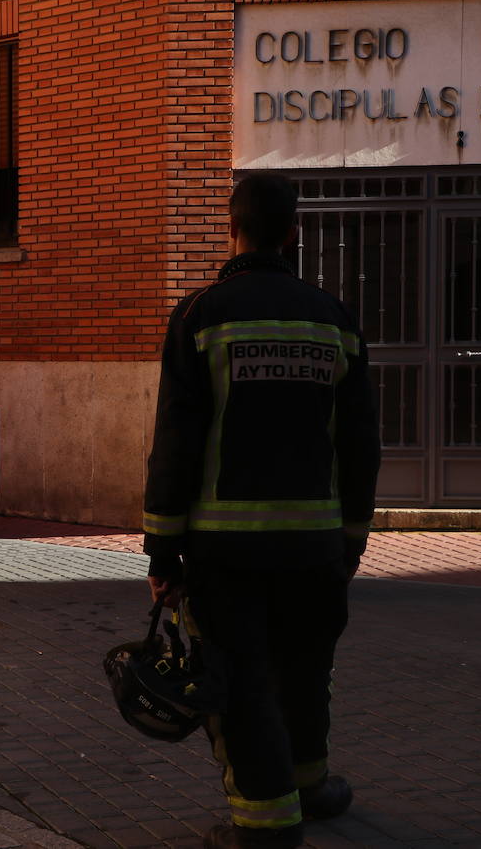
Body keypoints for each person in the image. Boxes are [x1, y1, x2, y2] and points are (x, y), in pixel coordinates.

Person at [141, 172, 382, 849]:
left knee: (242, 681)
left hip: (227, 553)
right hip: (314, 549)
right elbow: (362, 442)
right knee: (306, 673)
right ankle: (311, 788)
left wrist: (163, 550)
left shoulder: (200, 316)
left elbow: (176, 441)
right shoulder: (333, 318)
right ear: (293, 233)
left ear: (231, 230)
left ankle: (267, 823)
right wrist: (353, 541)